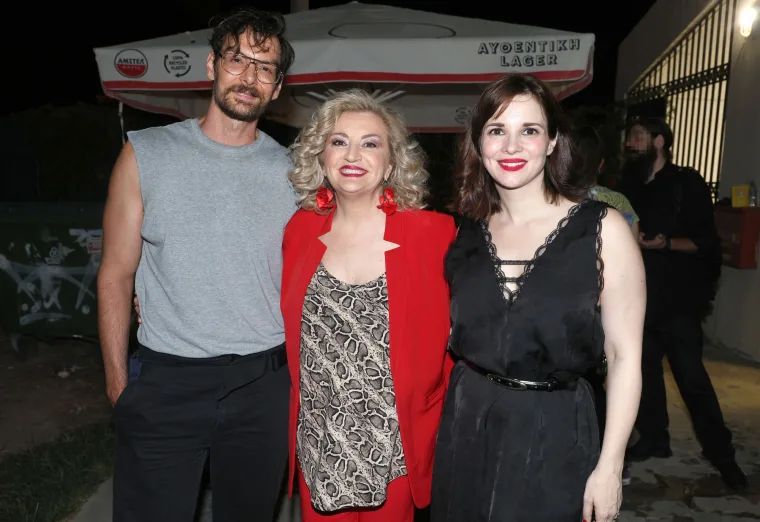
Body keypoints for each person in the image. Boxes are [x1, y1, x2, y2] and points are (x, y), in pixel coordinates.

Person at [97, 8, 296, 521]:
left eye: (265, 67)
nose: (249, 76)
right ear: (211, 65)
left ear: (277, 87)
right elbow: (115, 274)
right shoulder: (146, 154)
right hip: (167, 380)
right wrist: (118, 384)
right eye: (237, 59)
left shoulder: (296, 173)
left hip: (263, 385)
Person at [430, 74, 644, 522]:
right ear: (479, 143)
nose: (511, 146)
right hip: (468, 426)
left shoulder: (603, 230)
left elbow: (624, 356)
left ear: (552, 142)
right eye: (496, 130)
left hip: (557, 431)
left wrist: (610, 466)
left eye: (529, 130)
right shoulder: (463, 233)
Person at [281, 89, 456, 521]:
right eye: (339, 141)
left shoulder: (435, 234)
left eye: (370, 143)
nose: (352, 154)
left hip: (395, 444)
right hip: (321, 440)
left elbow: (464, 333)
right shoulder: (299, 230)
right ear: (321, 157)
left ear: (392, 163)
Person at [619, 116, 748, 491]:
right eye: (630, 137)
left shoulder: (686, 184)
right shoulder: (628, 185)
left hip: (678, 301)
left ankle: (723, 456)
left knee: (692, 379)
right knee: (644, 373)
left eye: (638, 137)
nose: (630, 143)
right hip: (640, 299)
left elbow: (705, 243)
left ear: (659, 141)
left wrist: (665, 244)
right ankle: (654, 438)